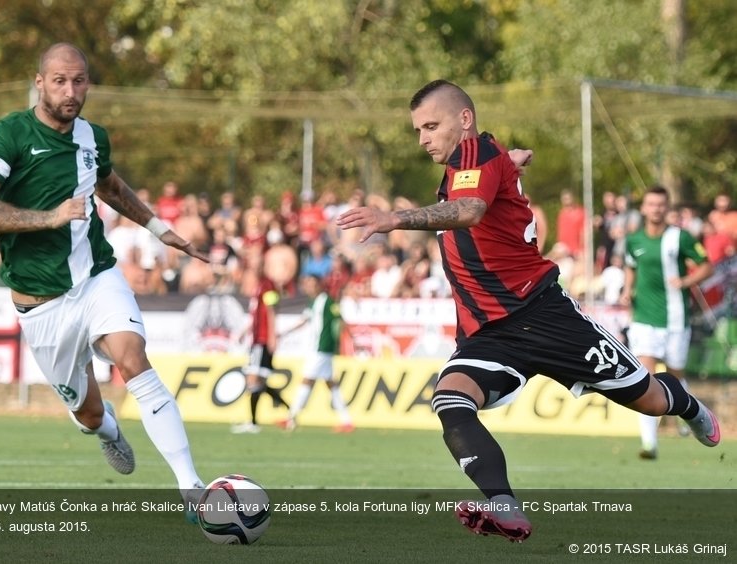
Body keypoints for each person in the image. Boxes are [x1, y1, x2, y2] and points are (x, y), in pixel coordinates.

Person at [335, 79, 721, 543]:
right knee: (450, 399)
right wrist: (508, 166)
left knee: (652, 400)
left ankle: (691, 407)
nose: (422, 138)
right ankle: (505, 507)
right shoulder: (477, 159)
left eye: (431, 126)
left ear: (464, 120)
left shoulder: (474, 154)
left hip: (545, 316)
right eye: (418, 129)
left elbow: (471, 210)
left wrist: (395, 218)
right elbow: (485, 191)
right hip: (490, 334)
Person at [0, 43, 207, 519]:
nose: (71, 91)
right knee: (89, 413)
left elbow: (110, 187)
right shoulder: (10, 133)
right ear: (40, 83)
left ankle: (192, 488)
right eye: (59, 81)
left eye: (79, 81)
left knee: (133, 358)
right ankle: (108, 431)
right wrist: (49, 217)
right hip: (42, 304)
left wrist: (160, 230)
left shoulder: (94, 137)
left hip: (96, 277)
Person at [620, 186, 714, 460]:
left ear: (667, 207)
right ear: (644, 208)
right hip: (644, 319)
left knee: (675, 376)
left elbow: (706, 265)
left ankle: (689, 415)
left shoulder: (680, 237)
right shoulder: (633, 240)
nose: (656, 209)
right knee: (645, 378)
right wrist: (628, 289)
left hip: (675, 319)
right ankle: (649, 443)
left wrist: (686, 281)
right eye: (651, 204)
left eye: (661, 204)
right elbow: (630, 266)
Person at [277, 274, 354, 433]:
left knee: (307, 380)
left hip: (322, 348)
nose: (308, 287)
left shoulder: (327, 300)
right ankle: (346, 421)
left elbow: (339, 319)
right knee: (331, 384)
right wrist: (284, 333)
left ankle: (292, 418)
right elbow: (304, 321)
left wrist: (350, 340)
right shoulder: (313, 303)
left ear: (319, 285)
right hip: (317, 349)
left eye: (311, 283)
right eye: (306, 283)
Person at [232, 253, 289, 433]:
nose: (254, 268)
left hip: (262, 339)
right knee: (260, 382)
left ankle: (253, 423)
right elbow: (256, 313)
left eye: (257, 265)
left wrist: (272, 336)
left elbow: (272, 311)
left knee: (253, 379)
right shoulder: (258, 286)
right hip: (256, 337)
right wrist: (244, 331)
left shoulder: (267, 285)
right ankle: (288, 409)